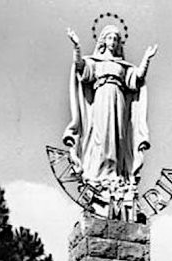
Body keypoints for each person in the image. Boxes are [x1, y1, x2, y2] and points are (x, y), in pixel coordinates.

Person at [64, 24, 156, 186]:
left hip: (118, 99)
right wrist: (76, 47)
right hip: (101, 98)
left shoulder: (122, 66)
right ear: (103, 40)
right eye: (110, 38)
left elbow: (136, 79)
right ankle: (98, 173)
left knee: (118, 136)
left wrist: (146, 59)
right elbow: (82, 70)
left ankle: (116, 173)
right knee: (102, 135)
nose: (113, 42)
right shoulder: (95, 63)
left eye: (116, 39)